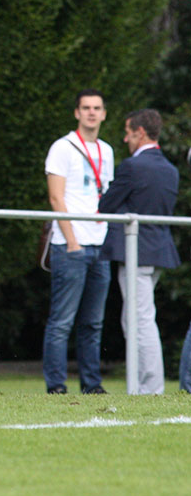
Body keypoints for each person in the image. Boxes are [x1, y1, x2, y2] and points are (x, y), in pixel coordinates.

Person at [98, 109, 179, 395]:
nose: (125, 138)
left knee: (139, 320)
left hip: (137, 252)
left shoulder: (133, 166)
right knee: (140, 317)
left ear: (140, 133)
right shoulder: (170, 169)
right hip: (157, 252)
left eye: (128, 132)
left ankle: (150, 388)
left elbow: (107, 206)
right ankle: (145, 385)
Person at [43, 89, 114, 395]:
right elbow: (56, 196)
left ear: (104, 113)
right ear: (76, 113)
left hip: (100, 244)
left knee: (93, 323)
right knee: (62, 321)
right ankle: (56, 385)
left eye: (97, 108)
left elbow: (106, 195)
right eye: (86, 108)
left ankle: (92, 384)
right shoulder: (63, 147)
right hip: (70, 244)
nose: (91, 113)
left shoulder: (107, 150)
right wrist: (72, 240)